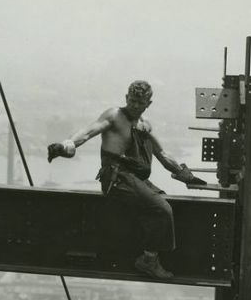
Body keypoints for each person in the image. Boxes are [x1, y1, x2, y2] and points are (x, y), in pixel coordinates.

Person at [47, 80, 205, 280]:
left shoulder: (144, 126)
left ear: (149, 103)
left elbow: (163, 154)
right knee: (162, 209)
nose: (136, 106)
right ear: (126, 98)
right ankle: (148, 260)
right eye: (132, 101)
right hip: (117, 178)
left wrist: (185, 176)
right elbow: (87, 133)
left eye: (141, 102)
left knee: (164, 201)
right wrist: (65, 146)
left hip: (134, 179)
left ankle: (147, 247)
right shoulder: (114, 116)